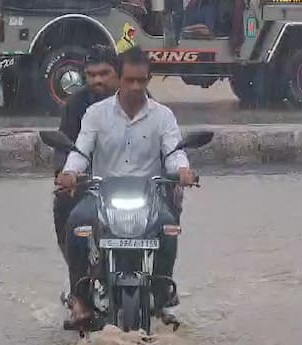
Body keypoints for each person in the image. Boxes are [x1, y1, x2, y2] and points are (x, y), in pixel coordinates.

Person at [56, 46, 198, 325]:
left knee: (169, 227)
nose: (135, 87)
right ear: (119, 79)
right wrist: (70, 173)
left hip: (150, 195)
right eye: (129, 80)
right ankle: (80, 296)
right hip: (100, 195)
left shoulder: (163, 116)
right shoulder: (95, 114)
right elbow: (81, 152)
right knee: (75, 222)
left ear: (149, 80)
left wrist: (183, 171)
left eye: (141, 81)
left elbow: (173, 153)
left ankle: (161, 294)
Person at [52, 44, 119, 260]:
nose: (97, 80)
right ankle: (77, 279)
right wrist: (64, 175)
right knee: (62, 203)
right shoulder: (76, 104)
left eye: (104, 74)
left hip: (133, 179)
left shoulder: (139, 99)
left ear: (118, 73)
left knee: (167, 210)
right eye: (91, 75)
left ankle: (162, 279)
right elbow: (64, 144)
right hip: (89, 180)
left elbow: (160, 139)